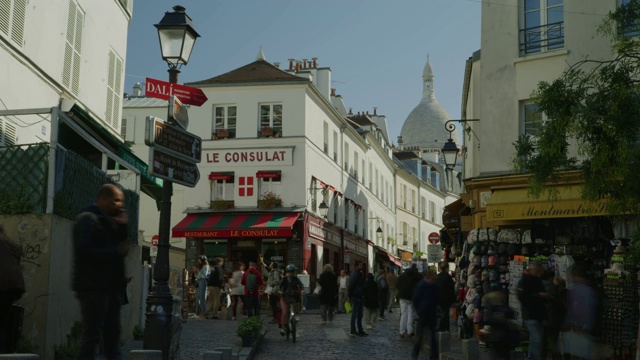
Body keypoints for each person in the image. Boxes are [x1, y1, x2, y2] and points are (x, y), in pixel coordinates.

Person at [72, 184, 129, 360]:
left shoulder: (108, 220)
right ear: (103, 199)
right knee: (93, 336)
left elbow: (120, 246)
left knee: (112, 337)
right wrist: (115, 253)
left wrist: (123, 227)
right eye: (116, 200)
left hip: (110, 287)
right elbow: (84, 250)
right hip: (93, 286)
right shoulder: (88, 218)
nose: (120, 205)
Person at [516, 261, 549, 360]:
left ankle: (533, 357)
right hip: (530, 314)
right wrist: (538, 295)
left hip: (537, 314)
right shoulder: (524, 280)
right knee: (536, 338)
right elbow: (522, 297)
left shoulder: (536, 279)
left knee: (537, 338)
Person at [0, 226, 25, 354]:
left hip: (3, 285)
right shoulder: (8, 241)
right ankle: (4, 351)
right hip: (15, 286)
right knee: (3, 319)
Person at [562, 266, 596, 360]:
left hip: (579, 327)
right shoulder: (583, 290)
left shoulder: (581, 290)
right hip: (578, 327)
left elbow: (586, 308)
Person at [411, 269, 440, 360]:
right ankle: (415, 354)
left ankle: (434, 356)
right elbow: (415, 299)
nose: (434, 280)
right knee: (419, 336)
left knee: (433, 336)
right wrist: (419, 311)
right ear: (428, 277)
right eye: (433, 278)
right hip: (423, 314)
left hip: (432, 313)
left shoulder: (434, 286)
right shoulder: (421, 286)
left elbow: (437, 298)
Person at [541, 269, 564, 360]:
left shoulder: (540, 285)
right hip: (552, 318)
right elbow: (558, 304)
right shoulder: (551, 286)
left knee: (543, 341)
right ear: (551, 277)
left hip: (543, 318)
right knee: (553, 341)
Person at [278, 264, 304, 336]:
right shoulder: (284, 279)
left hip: (293, 297)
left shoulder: (296, 279)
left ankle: (294, 318)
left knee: (295, 310)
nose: (291, 273)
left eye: (292, 272)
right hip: (285, 297)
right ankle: (283, 327)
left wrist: (301, 290)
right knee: (285, 312)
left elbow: (301, 285)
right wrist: (280, 292)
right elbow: (279, 287)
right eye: (289, 272)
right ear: (287, 272)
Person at [397, 264, 421, 338]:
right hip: (410, 298)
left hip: (402, 297)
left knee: (403, 314)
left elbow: (397, 285)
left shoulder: (401, 276)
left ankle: (402, 332)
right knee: (410, 314)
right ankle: (410, 331)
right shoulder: (415, 278)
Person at [348, 261, 368, 336]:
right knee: (355, 314)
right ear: (356, 266)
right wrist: (350, 295)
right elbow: (351, 285)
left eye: (362, 265)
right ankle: (353, 330)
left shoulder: (359, 274)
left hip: (359, 295)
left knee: (360, 314)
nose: (361, 267)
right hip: (355, 296)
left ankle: (360, 329)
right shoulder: (355, 274)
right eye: (360, 265)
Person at [436, 261, 456, 332]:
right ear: (447, 268)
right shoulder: (448, 277)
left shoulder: (437, 277)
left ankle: (439, 328)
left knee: (439, 314)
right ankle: (445, 329)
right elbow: (451, 289)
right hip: (446, 299)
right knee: (445, 314)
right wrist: (453, 300)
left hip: (438, 299)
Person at [193, 255, 210, 320]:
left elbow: (203, 275)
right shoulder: (202, 267)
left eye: (199, 260)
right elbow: (197, 276)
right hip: (198, 281)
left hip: (203, 281)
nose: (198, 261)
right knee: (197, 297)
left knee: (202, 297)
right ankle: (197, 313)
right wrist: (195, 271)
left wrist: (197, 270)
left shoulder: (206, 266)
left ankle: (204, 313)